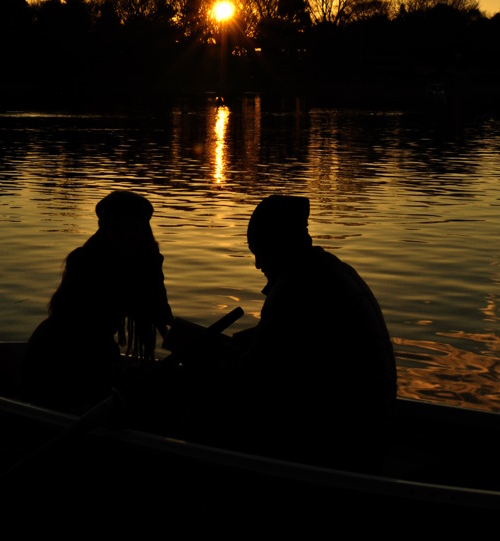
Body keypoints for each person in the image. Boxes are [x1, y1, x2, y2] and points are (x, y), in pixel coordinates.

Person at [186, 194, 397, 471]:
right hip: (370, 426)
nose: (257, 265)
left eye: (259, 252)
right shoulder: (330, 270)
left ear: (278, 246)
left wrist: (205, 355)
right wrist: (243, 341)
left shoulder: (295, 286)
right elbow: (297, 340)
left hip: (343, 440)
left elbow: (255, 378)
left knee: (205, 406)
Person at [20, 190, 174, 414]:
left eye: (134, 228)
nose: (126, 236)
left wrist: (191, 355)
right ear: (105, 231)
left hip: (96, 358)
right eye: (117, 228)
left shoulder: (145, 265)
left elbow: (161, 318)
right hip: (56, 359)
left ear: (144, 232)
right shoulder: (84, 263)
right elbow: (80, 331)